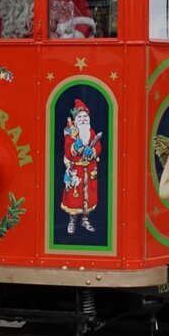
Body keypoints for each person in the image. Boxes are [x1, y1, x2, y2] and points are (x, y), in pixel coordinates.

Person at [61, 100, 102, 235]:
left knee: (89, 196)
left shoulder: (91, 132)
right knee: (74, 198)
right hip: (76, 171)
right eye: (80, 117)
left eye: (85, 117)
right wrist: (75, 147)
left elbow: (98, 147)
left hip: (89, 171)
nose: (83, 119)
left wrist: (93, 152)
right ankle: (72, 221)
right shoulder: (70, 133)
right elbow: (67, 151)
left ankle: (85, 219)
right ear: (75, 119)